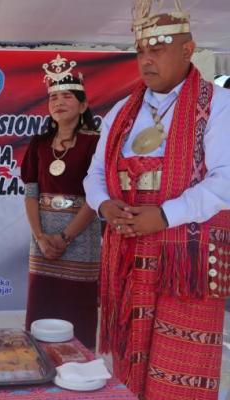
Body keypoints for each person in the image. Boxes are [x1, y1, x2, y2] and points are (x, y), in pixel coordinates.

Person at [83, 2, 230, 399]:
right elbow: (94, 174)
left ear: (188, 49)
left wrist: (166, 215)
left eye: (159, 48)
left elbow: (225, 180)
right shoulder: (122, 111)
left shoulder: (218, 105)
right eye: (141, 51)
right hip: (128, 252)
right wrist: (102, 205)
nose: (146, 60)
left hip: (185, 258)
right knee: (128, 363)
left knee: (177, 371)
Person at [21, 55, 101, 349]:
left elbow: (96, 197)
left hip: (80, 237)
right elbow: (31, 193)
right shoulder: (39, 144)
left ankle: (79, 365)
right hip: (42, 241)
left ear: (82, 105)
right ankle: (39, 362)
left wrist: (66, 237)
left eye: (67, 96)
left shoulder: (95, 142)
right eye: (53, 97)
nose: (59, 102)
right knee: (43, 300)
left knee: (75, 303)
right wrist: (41, 237)